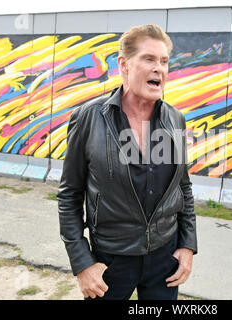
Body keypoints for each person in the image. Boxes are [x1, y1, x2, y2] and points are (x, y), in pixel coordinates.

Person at [57, 24, 197, 300]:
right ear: (123, 64)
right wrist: (82, 262)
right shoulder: (89, 117)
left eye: (164, 61)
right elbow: (70, 194)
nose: (159, 69)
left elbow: (183, 188)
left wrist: (188, 245)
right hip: (111, 259)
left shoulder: (175, 119)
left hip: (164, 260)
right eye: (149, 59)